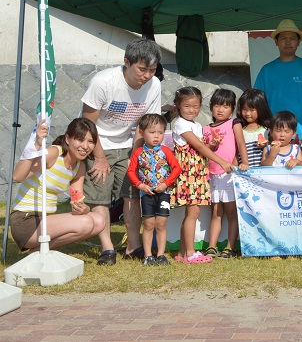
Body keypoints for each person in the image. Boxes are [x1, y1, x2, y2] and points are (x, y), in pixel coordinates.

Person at [81, 38, 162, 266]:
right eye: (142, 69)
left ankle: (133, 246)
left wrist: (136, 157)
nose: (147, 75)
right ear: (127, 62)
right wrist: (99, 157)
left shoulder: (154, 85)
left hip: (128, 144)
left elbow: (146, 125)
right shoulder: (103, 82)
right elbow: (87, 123)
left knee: (132, 193)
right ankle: (107, 249)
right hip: (97, 142)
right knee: (101, 197)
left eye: (152, 70)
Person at [10, 118, 106, 253]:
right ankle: (38, 250)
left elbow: (77, 200)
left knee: (99, 221)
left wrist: (83, 209)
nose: (85, 146)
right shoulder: (54, 153)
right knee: (86, 223)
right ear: (68, 139)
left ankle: (39, 250)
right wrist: (35, 145)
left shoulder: (79, 166)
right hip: (26, 219)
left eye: (90, 141)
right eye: (80, 139)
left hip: (46, 219)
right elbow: (17, 176)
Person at [170, 87, 233, 264]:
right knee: (193, 212)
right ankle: (190, 253)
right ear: (178, 106)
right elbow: (198, 148)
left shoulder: (196, 125)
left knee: (191, 212)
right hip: (188, 175)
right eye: (187, 106)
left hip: (197, 174)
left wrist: (211, 144)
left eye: (196, 106)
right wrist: (220, 161)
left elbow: (202, 147)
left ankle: (183, 253)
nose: (192, 110)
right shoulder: (181, 124)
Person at [254, 19, 302, 140]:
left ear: (298, 42)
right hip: (274, 133)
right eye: (283, 38)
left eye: (292, 38)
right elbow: (257, 103)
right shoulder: (266, 70)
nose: (288, 42)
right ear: (276, 41)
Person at [126, 114, 181, 266]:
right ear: (142, 133)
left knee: (161, 224)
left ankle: (161, 255)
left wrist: (166, 184)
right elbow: (131, 171)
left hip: (163, 194)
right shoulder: (137, 153)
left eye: (160, 132)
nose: (156, 136)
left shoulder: (166, 151)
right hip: (146, 194)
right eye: (152, 132)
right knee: (149, 224)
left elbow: (177, 168)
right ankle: (148, 255)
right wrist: (140, 185)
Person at [203, 89, 240, 259]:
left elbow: (241, 145)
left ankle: (230, 247)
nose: (220, 109)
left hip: (229, 174)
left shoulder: (234, 123)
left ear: (232, 109)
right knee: (216, 212)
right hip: (212, 175)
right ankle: (212, 246)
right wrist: (211, 145)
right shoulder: (204, 129)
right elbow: (203, 152)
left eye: (226, 106)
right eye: (217, 105)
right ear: (211, 107)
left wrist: (242, 162)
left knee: (232, 213)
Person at [234, 89, 273, 171]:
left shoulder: (268, 130)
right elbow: (237, 154)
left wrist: (265, 147)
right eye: (244, 109)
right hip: (245, 175)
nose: (247, 113)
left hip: (264, 175)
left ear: (261, 109)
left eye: (252, 110)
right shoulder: (239, 130)